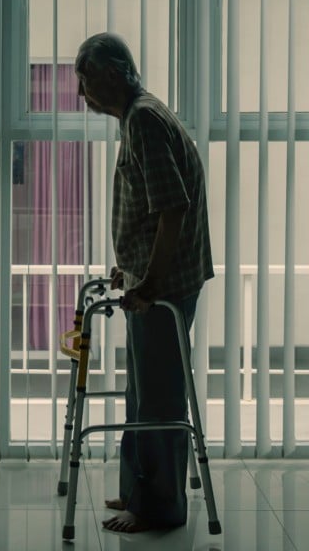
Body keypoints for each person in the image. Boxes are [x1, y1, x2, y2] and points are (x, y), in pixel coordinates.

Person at [74, 32, 214, 534]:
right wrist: (132, 267)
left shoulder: (144, 121)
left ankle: (159, 508)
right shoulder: (139, 116)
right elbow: (152, 208)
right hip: (158, 278)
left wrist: (151, 281)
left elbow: (172, 208)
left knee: (158, 399)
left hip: (166, 286)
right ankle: (140, 489)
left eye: (86, 80)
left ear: (113, 74)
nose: (82, 93)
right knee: (144, 392)